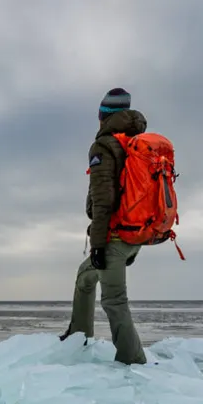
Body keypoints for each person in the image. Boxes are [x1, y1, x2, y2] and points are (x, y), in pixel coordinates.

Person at [62, 87, 148, 365]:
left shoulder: (105, 146)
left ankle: (132, 361)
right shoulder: (137, 142)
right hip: (136, 234)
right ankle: (79, 337)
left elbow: (103, 200)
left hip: (113, 235)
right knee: (85, 276)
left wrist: (98, 244)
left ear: (104, 116)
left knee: (113, 300)